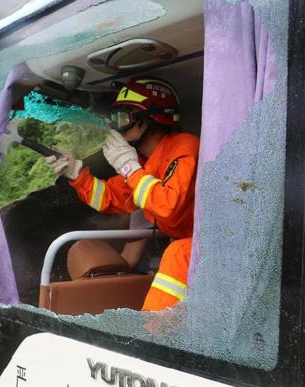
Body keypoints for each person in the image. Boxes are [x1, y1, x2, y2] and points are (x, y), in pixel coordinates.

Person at [45, 76, 199, 311]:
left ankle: (155, 339)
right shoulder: (145, 163)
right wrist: (76, 174)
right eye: (114, 118)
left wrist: (129, 168)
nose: (117, 127)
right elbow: (109, 197)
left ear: (150, 119)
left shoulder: (184, 148)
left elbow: (168, 206)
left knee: (177, 255)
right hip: (186, 241)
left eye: (124, 118)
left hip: (212, 242)